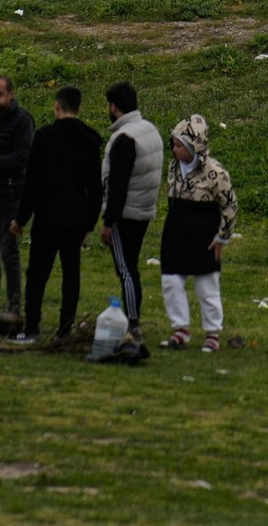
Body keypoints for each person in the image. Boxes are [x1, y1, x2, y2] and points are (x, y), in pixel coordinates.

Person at [8, 85, 103, 343]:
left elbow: (32, 183)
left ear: (56, 106)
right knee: (71, 274)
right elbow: (96, 189)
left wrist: (21, 217)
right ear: (79, 108)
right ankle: (64, 328)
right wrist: (90, 224)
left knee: (38, 273)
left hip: (47, 216)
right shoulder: (90, 139)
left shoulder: (44, 137)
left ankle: (31, 327)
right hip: (75, 218)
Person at [159, 115, 237, 354]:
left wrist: (221, 237)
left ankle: (212, 334)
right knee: (171, 281)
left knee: (207, 287)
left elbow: (230, 206)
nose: (174, 150)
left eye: (179, 145)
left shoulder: (215, 172)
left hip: (204, 236)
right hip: (175, 232)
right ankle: (180, 329)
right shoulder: (174, 166)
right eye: (173, 144)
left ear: (195, 146)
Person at [101, 81, 163, 348]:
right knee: (132, 267)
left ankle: (133, 322)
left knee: (126, 270)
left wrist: (108, 221)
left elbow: (117, 185)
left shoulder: (124, 139)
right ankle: (133, 319)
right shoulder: (149, 130)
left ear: (113, 107)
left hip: (124, 213)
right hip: (144, 209)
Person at [0, 75, 34, 315]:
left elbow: (21, 158)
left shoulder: (22, 120)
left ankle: (14, 306)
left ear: (11, 94)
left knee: (8, 252)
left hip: (10, 194)